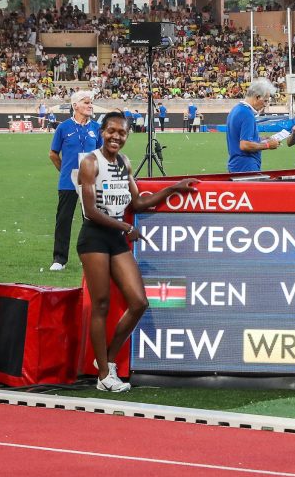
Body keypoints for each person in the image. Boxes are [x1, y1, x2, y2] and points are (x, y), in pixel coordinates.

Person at [77, 112, 198, 392]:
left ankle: (105, 361)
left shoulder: (124, 163)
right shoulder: (90, 162)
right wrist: (124, 226)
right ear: (102, 131)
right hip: (94, 238)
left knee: (139, 302)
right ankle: (105, 376)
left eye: (122, 133)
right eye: (111, 131)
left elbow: (139, 203)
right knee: (102, 305)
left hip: (117, 238)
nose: (116, 137)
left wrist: (172, 188)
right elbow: (90, 211)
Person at [48, 90, 101, 271]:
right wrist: (65, 171)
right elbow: (53, 154)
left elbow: (101, 154)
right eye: (86, 102)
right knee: (63, 219)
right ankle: (59, 259)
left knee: (91, 220)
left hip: (90, 182)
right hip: (68, 182)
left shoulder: (95, 128)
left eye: (91, 102)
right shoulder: (63, 128)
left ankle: (88, 257)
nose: (90, 105)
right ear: (75, 105)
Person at [226, 78, 282, 173]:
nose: (265, 105)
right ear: (257, 97)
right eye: (265, 101)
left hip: (237, 165)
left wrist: (262, 138)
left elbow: (241, 137)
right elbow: (245, 145)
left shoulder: (236, 109)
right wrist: (268, 145)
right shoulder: (247, 114)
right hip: (246, 166)